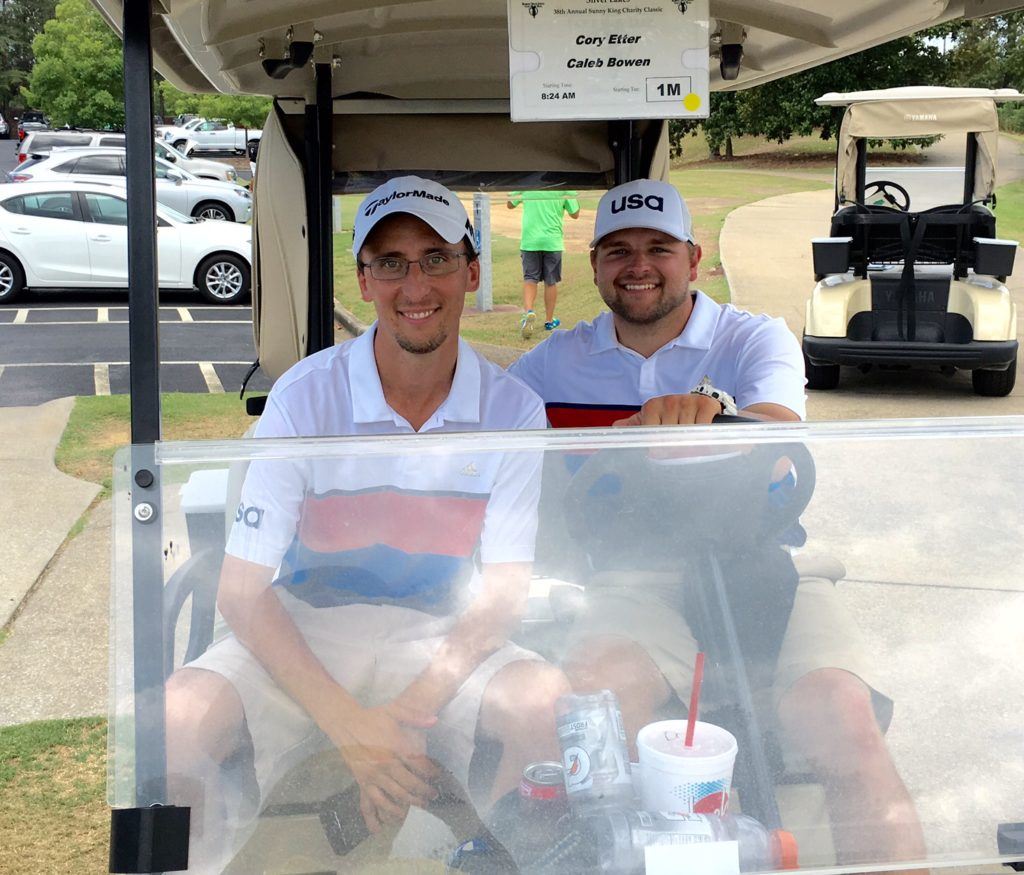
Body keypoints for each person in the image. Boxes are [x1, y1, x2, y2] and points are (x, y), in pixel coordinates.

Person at [509, 179, 927, 872]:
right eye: (617, 250)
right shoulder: (554, 360)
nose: (638, 264)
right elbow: (493, 431)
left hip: (769, 560)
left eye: (658, 248)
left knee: (846, 720)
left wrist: (706, 411)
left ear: (694, 260)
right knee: (596, 707)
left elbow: (778, 432)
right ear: (594, 267)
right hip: (632, 575)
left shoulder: (751, 336)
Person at [165, 176, 570, 871]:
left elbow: (502, 591)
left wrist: (409, 711)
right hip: (308, 623)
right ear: (363, 279)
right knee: (177, 718)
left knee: (545, 706)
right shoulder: (303, 397)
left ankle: (506, 856)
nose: (416, 285)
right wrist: (353, 729)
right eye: (391, 262)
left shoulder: (514, 408)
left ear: (471, 271)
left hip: (440, 631)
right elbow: (241, 591)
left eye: (436, 258)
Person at [506, 189, 580, 337]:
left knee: (530, 278)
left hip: (530, 241)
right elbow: (575, 213)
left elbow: (510, 204)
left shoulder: (528, 185)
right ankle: (548, 320)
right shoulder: (564, 186)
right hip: (552, 242)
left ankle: (528, 312)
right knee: (550, 282)